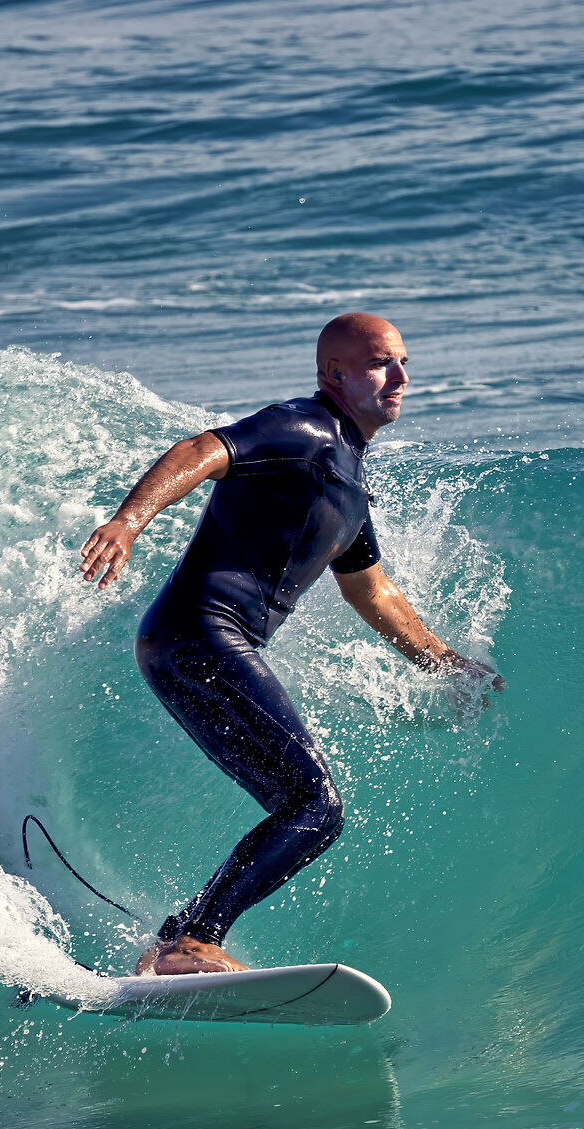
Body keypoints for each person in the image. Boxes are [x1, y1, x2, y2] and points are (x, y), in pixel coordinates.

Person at [78, 313, 503, 976]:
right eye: (379, 364)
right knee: (316, 805)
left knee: (302, 805)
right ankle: (196, 939)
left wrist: (445, 664)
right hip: (202, 634)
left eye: (402, 363)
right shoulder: (302, 428)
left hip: (186, 644)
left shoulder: (348, 481)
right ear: (333, 373)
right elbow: (202, 450)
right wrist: (128, 521)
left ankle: (174, 942)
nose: (400, 378)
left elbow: (372, 591)